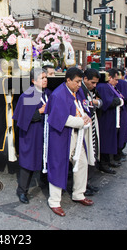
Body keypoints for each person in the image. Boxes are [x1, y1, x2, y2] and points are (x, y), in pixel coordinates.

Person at [45, 67, 93, 217]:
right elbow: (61, 119)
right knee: (58, 165)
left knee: (82, 163)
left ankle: (78, 194)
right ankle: (54, 202)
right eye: (77, 81)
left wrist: (86, 116)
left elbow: (82, 106)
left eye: (80, 81)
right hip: (61, 135)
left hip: (77, 134)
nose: (80, 85)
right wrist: (81, 121)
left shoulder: (76, 91)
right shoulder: (58, 94)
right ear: (68, 80)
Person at [12, 68, 51, 204]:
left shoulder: (48, 93)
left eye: (46, 77)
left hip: (44, 132)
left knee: (45, 158)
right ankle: (22, 191)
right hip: (30, 134)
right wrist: (39, 111)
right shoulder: (27, 95)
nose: (45, 79)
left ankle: (44, 181)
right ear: (33, 81)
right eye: (42, 78)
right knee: (28, 163)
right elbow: (21, 119)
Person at [96, 69, 127, 174]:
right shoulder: (103, 87)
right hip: (106, 118)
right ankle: (104, 164)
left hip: (114, 117)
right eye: (115, 79)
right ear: (109, 77)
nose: (117, 82)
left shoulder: (110, 87)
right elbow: (107, 102)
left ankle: (110, 160)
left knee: (111, 140)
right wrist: (119, 101)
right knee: (106, 141)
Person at [80, 68, 102, 195]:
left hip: (91, 122)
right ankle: (83, 185)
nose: (94, 86)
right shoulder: (82, 89)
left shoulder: (88, 90)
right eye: (92, 83)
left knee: (92, 152)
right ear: (85, 79)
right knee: (86, 155)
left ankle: (87, 183)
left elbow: (99, 102)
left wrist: (95, 102)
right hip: (85, 124)